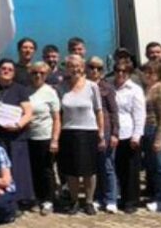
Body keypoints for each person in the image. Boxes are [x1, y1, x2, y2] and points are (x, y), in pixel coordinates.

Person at [57, 55, 105, 215]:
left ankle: (89, 201)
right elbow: (58, 114)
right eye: (71, 65)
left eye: (78, 65)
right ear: (66, 68)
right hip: (68, 132)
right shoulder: (61, 87)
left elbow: (99, 111)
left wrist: (101, 133)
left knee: (89, 170)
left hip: (89, 132)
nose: (75, 69)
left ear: (83, 67)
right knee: (71, 171)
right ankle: (74, 201)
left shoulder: (92, 86)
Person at [0, 60, 34, 210]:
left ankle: (20, 200)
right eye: (3, 68)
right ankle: (1, 197)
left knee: (18, 168)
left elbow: (28, 112)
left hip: (16, 136)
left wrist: (18, 125)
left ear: (14, 73)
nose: (6, 71)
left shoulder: (21, 89)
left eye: (10, 69)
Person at [85, 57, 120, 213]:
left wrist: (114, 133)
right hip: (88, 130)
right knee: (95, 166)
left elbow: (114, 112)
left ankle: (111, 198)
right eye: (92, 67)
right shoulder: (83, 86)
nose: (95, 71)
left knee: (107, 166)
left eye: (99, 68)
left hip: (105, 130)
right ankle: (98, 197)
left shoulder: (107, 87)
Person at [26, 62, 60, 215]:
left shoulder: (50, 92)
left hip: (45, 136)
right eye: (34, 73)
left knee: (46, 170)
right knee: (32, 169)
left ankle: (49, 200)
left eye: (41, 73)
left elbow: (57, 118)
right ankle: (36, 198)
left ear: (46, 75)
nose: (38, 75)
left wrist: (55, 139)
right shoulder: (25, 91)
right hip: (28, 137)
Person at [112, 61, 146, 214]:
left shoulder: (135, 89)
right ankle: (119, 197)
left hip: (129, 133)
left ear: (129, 73)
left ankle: (131, 200)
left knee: (130, 170)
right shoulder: (109, 87)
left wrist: (136, 135)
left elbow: (139, 114)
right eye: (118, 70)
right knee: (117, 168)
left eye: (124, 71)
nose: (120, 73)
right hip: (113, 133)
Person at [141, 61, 161, 212]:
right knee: (152, 166)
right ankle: (156, 195)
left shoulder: (160, 89)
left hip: (157, 130)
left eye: (152, 72)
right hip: (146, 130)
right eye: (146, 72)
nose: (148, 75)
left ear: (159, 74)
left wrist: (159, 138)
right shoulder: (146, 88)